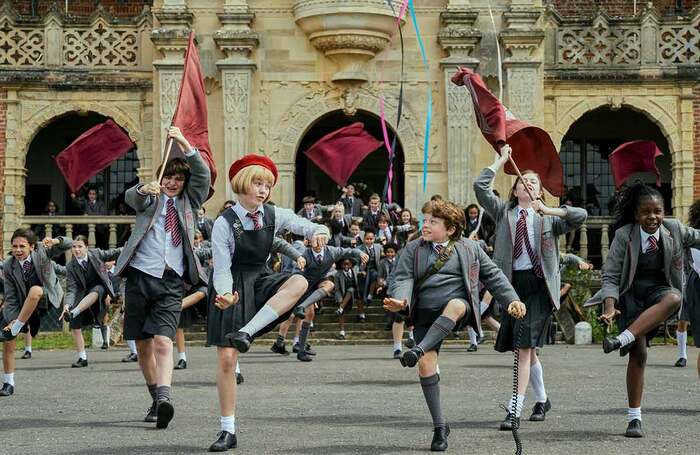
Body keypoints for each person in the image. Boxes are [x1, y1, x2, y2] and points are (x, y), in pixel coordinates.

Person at [208, 154, 329, 452]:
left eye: (268, 185)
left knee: (300, 281)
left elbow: (306, 225)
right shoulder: (224, 223)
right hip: (232, 284)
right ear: (241, 184)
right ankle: (228, 430)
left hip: (261, 279)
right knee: (226, 359)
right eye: (257, 183)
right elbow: (221, 268)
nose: (263, 190)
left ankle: (247, 332)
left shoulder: (274, 214)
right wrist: (223, 294)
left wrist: (320, 233)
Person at [385, 200, 523, 452]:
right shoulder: (413, 248)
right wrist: (401, 300)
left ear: (450, 229)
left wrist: (512, 299)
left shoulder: (470, 247)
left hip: (456, 308)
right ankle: (440, 427)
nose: (425, 225)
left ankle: (417, 349)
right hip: (425, 312)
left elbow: (493, 275)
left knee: (457, 305)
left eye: (432, 222)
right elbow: (402, 277)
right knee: (426, 367)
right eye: (424, 220)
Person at [474, 145, 587, 430]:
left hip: (539, 287)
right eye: (523, 181)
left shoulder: (548, 218)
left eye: (534, 182)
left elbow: (580, 216)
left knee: (524, 348)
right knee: (528, 350)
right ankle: (543, 400)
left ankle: (514, 411)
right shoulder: (503, 213)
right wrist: (500, 160)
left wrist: (548, 208)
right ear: (515, 191)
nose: (528, 184)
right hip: (513, 286)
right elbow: (480, 187)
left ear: (538, 191)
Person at [114, 126, 211, 430]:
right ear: (160, 178)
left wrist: (183, 142)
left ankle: (166, 398)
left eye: (178, 179)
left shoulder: (189, 202)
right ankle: (155, 397)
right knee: (142, 345)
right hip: (141, 276)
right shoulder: (151, 197)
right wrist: (145, 189)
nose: (172, 183)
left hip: (172, 280)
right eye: (168, 177)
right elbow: (131, 198)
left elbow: (204, 176)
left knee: (163, 341)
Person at [589, 183, 700, 437]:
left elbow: (698, 236)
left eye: (658, 211)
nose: (653, 217)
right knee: (638, 355)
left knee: (674, 298)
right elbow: (611, 275)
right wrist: (609, 306)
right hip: (631, 298)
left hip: (659, 294)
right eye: (646, 212)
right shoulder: (624, 235)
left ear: (665, 212)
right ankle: (634, 419)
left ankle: (622, 338)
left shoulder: (674, 229)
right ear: (636, 215)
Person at [1, 229, 72, 396]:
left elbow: (69, 243)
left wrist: (55, 241)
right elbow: (10, 298)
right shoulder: (8, 265)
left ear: (31, 247)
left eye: (22, 246)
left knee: (34, 290)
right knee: (8, 341)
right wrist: (12, 319)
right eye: (14, 246)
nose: (18, 250)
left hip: (45, 297)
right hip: (21, 305)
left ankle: (17, 326)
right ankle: (8, 383)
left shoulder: (42, 250)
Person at [60, 235, 122, 367]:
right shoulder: (71, 266)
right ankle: (82, 358)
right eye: (74, 247)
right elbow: (71, 289)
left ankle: (74, 312)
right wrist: (67, 305)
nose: (76, 250)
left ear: (87, 248)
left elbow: (115, 252)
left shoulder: (96, 254)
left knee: (97, 290)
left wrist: (134, 245)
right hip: (82, 295)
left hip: (100, 292)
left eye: (80, 246)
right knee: (75, 325)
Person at [334, 258, 361, 340]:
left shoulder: (355, 271)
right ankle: (342, 331)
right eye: (344, 264)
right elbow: (337, 289)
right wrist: (339, 299)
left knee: (351, 289)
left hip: (355, 293)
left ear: (351, 265)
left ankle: (341, 308)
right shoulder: (338, 274)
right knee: (341, 303)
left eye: (348, 264)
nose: (346, 266)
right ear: (341, 265)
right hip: (343, 294)